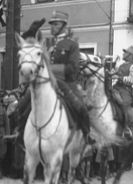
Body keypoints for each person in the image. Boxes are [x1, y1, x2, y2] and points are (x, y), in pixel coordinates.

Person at [7, 12, 90, 142]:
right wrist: (31, 31)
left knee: (80, 107)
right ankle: (20, 132)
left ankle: (87, 135)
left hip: (65, 82)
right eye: (51, 24)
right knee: (22, 105)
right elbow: (25, 47)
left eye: (55, 24)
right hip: (45, 82)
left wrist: (51, 70)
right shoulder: (46, 42)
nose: (52, 27)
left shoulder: (71, 44)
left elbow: (73, 68)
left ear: (63, 26)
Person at [111, 45, 133, 139]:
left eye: (125, 52)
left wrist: (120, 78)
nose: (123, 54)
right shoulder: (120, 65)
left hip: (125, 89)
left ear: (130, 55)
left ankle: (126, 127)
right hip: (115, 87)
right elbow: (113, 73)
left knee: (124, 103)